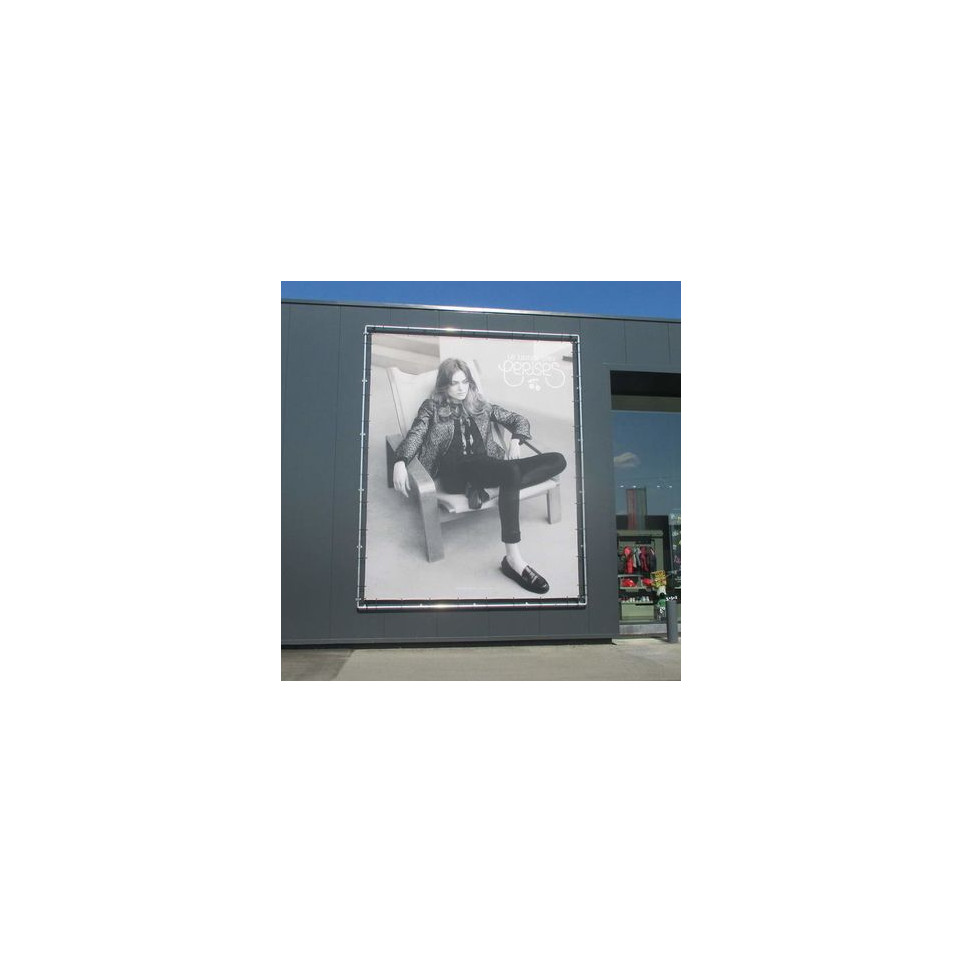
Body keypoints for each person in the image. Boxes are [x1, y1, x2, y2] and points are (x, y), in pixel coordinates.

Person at [392, 358, 567, 593]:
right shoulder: (431, 408)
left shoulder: (479, 404)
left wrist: (516, 440)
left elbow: (517, 419)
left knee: (558, 460)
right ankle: (513, 560)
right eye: (454, 383)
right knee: (511, 471)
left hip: (487, 465)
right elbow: (416, 433)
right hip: (456, 473)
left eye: (465, 381)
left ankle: (498, 487)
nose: (461, 388)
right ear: (444, 385)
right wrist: (400, 461)